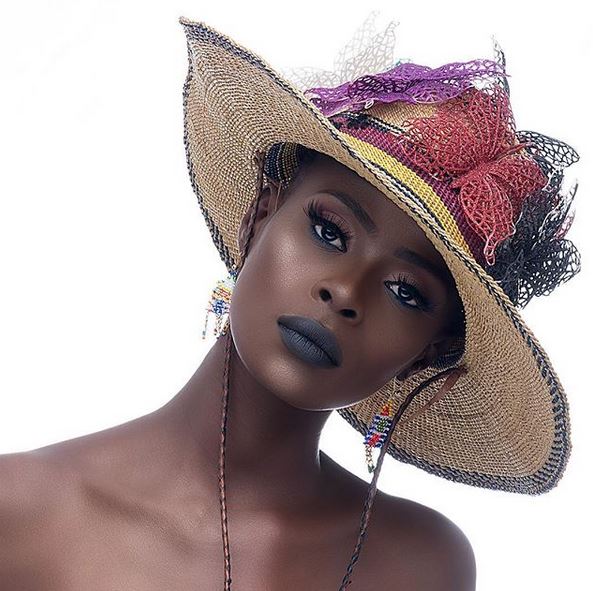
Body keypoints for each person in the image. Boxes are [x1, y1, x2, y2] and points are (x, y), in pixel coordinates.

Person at [0, 14, 581, 590]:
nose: (345, 292)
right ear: (260, 215)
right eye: (329, 231)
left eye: (406, 291)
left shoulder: (421, 566)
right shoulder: (21, 512)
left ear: (431, 353)